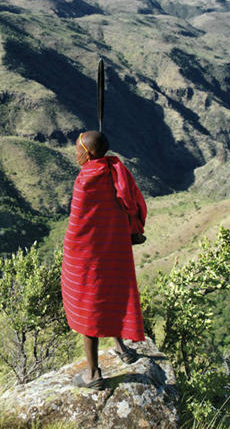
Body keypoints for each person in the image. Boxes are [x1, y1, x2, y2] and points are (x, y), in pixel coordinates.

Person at [61, 130, 146, 389]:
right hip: (115, 248)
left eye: (78, 149)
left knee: (90, 305)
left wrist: (72, 252)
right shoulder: (114, 170)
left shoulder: (87, 178)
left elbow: (80, 224)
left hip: (89, 255)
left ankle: (94, 374)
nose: (75, 153)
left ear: (88, 153)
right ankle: (121, 347)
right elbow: (128, 203)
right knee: (112, 292)